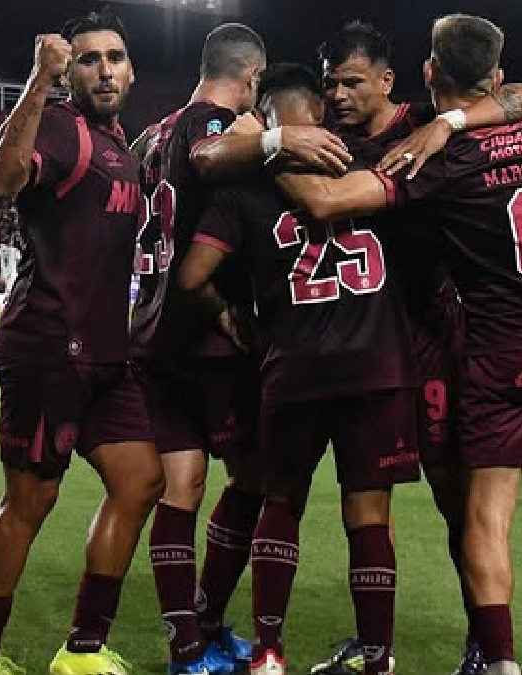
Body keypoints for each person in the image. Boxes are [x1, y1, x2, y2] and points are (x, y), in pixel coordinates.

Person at [272, 14, 522, 675]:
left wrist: (266, 144)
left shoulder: (431, 151)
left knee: (476, 508)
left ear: (419, 75)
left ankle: (493, 657)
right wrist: (455, 118)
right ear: (494, 79)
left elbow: (332, 201)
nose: (339, 95)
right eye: (331, 84)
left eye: (351, 82)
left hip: (474, 343)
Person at [179, 62, 420, 675]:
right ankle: (376, 655)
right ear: (317, 112)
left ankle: (266, 654)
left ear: (267, 117)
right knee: (369, 516)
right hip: (378, 366)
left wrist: (226, 314)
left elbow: (192, 278)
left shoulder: (245, 187)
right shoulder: (371, 165)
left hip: (293, 368)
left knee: (280, 503)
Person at [0, 11, 163, 675]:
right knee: (31, 500)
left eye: (115, 58)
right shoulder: (63, 126)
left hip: (102, 356)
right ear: (74, 70)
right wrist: (42, 77)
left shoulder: (119, 141)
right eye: (89, 59)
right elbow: (2, 179)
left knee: (141, 479)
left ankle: (84, 649)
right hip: (47, 347)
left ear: (132, 69)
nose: (104, 69)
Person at [130, 23, 352, 675]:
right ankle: (197, 635)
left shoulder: (157, 130)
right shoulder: (210, 125)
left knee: (183, 486)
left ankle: (192, 642)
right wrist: (279, 136)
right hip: (204, 336)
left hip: (152, 327)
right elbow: (208, 160)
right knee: (249, 481)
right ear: (253, 78)